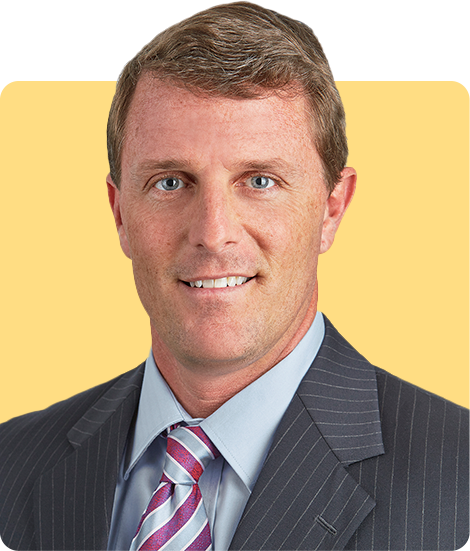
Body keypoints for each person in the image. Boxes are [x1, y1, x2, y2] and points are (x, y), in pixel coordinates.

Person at [1, 3, 470, 551]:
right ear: (120, 212)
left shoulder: (458, 483)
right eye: (171, 182)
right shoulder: (11, 462)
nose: (213, 233)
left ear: (331, 208)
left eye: (260, 181)